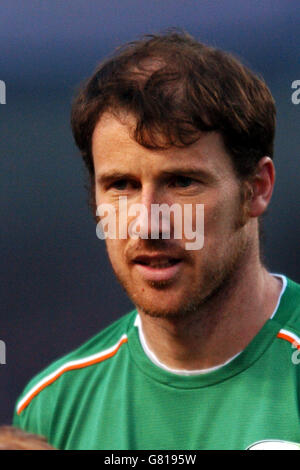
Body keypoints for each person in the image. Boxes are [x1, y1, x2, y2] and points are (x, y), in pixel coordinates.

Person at [13, 31, 300, 450]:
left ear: (256, 188)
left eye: (182, 181)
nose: (148, 223)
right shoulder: (52, 409)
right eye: (121, 185)